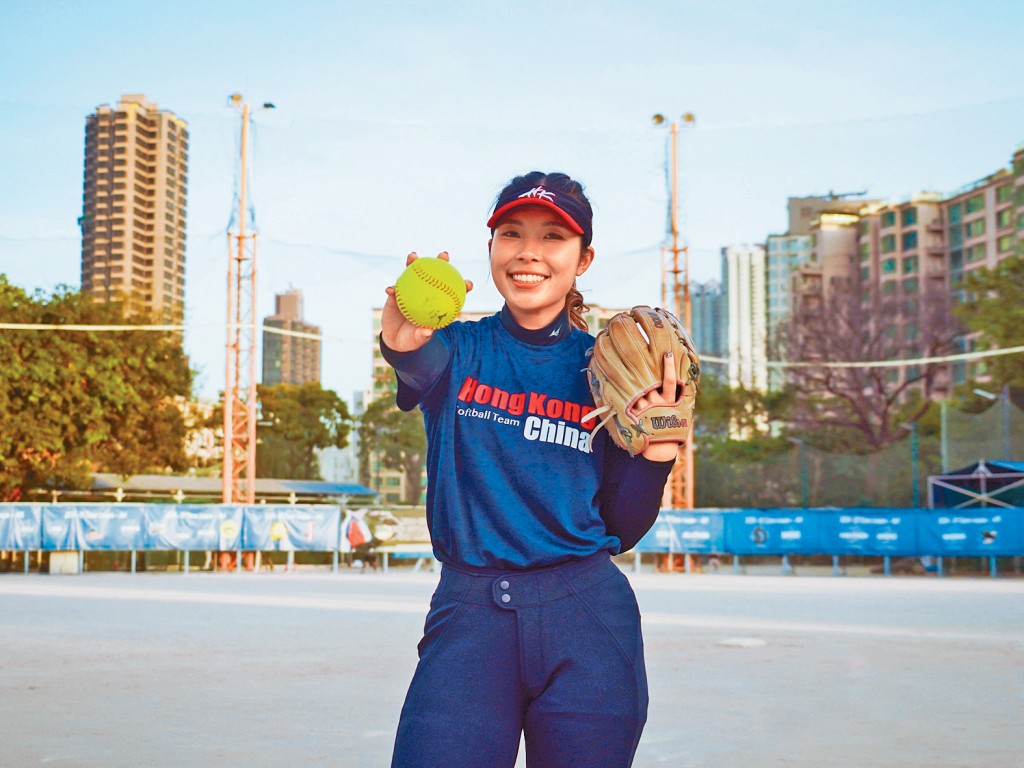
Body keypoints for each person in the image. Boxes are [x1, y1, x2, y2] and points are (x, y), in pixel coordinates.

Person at [380, 171, 681, 768]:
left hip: (586, 617)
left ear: (583, 258)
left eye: (553, 237)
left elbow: (622, 525)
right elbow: (414, 357)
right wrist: (401, 336)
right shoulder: (459, 350)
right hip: (468, 619)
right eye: (511, 233)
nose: (529, 253)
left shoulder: (612, 369)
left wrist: (658, 454)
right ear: (490, 247)